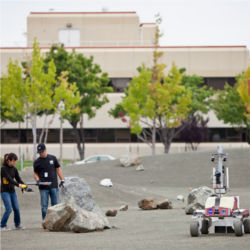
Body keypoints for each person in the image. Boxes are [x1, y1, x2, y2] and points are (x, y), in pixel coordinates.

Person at [33, 143, 65, 220]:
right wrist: (37, 180)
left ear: (46, 150)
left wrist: (62, 180)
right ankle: (45, 222)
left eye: (42, 152)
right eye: (39, 152)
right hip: (43, 187)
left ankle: (55, 221)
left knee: (55, 205)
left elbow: (58, 170)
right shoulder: (37, 162)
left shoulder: (53, 158)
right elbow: (35, 174)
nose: (41, 153)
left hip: (53, 186)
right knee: (44, 206)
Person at [1, 153, 26, 231]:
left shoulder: (14, 169)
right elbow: (9, 179)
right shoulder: (3, 169)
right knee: (9, 209)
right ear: (9, 160)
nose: (15, 162)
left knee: (16, 208)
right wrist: (18, 185)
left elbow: (18, 179)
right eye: (13, 161)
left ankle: (17, 224)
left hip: (12, 191)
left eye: (15, 161)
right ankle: (2, 225)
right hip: (5, 191)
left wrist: (24, 186)